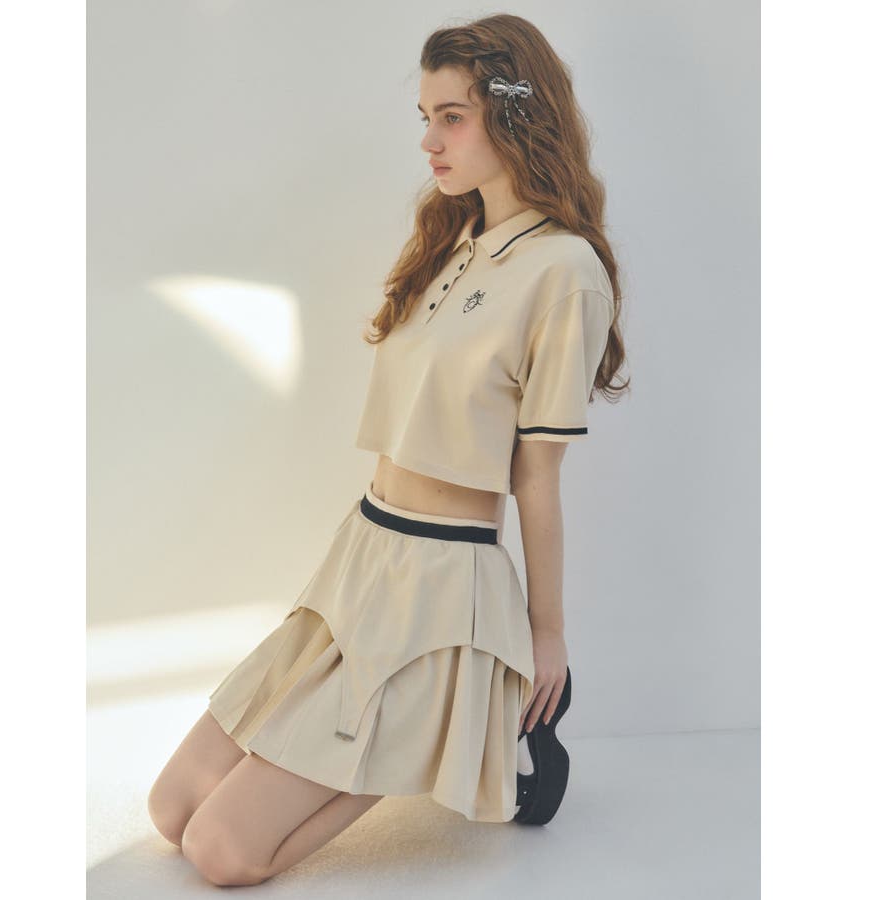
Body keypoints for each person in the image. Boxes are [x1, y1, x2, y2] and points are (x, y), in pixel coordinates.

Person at [147, 12, 628, 888]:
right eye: (426, 117)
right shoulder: (454, 239)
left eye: (452, 117)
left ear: (515, 117)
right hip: (363, 555)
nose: (429, 141)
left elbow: (537, 477)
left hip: (441, 586)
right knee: (171, 811)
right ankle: (439, 727)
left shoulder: (565, 272)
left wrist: (547, 634)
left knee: (221, 852)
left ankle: (447, 720)